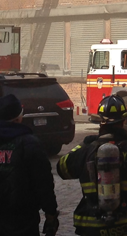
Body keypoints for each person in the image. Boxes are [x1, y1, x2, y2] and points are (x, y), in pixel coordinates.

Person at [57, 95, 127, 235]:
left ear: (101, 123)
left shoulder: (86, 151)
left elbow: (62, 168)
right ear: (124, 122)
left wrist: (84, 145)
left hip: (93, 229)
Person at [0, 94, 59, 236]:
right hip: (23, 218)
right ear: (19, 118)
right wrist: (51, 213)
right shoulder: (30, 143)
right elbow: (43, 183)